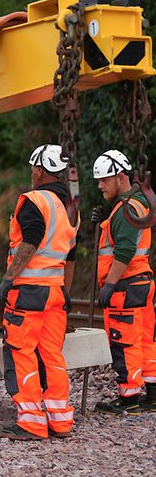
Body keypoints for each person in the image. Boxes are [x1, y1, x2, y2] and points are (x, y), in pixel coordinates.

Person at [0, 144, 77, 440]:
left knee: (21, 351)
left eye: (33, 168)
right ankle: (60, 420)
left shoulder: (34, 200)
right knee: (52, 355)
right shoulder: (70, 208)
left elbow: (29, 242)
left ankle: (30, 421)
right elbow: (71, 256)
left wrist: (8, 278)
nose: (32, 173)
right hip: (55, 294)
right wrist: (66, 292)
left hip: (29, 293)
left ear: (41, 171)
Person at [89, 149, 156, 413]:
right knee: (144, 340)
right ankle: (151, 395)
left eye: (104, 179)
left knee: (123, 341)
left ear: (119, 177)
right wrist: (106, 218)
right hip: (141, 284)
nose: (99, 185)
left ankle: (128, 398)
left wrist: (109, 284)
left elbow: (125, 250)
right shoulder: (137, 203)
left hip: (126, 286)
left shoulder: (127, 208)